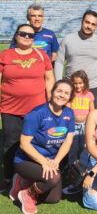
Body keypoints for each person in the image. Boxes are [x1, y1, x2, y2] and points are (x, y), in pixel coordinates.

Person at [0, 24, 55, 193]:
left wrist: (51, 104)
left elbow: (49, 79)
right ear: (16, 35)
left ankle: (31, 176)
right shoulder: (5, 55)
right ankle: (9, 177)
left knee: (36, 144)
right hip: (10, 109)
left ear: (34, 38)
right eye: (23, 34)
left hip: (37, 111)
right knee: (10, 143)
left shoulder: (41, 55)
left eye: (30, 35)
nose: (26, 37)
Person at [10, 80, 75, 214]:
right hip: (26, 160)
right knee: (53, 178)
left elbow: (68, 141)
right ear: (52, 92)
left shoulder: (69, 114)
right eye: (59, 91)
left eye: (66, 93)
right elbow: (24, 143)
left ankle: (26, 182)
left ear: (70, 97)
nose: (62, 95)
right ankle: (27, 193)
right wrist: (44, 162)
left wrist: (56, 161)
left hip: (50, 161)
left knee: (53, 199)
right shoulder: (37, 114)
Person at [54, 10, 97, 107]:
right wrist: (59, 84)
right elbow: (59, 62)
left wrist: (94, 68)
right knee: (67, 117)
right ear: (82, 22)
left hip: (92, 87)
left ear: (96, 26)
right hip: (70, 86)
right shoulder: (68, 39)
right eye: (87, 22)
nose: (89, 26)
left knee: (92, 118)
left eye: (93, 24)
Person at [62, 70, 94, 195]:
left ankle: (83, 172)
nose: (78, 86)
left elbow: (92, 111)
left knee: (85, 149)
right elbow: (67, 109)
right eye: (75, 83)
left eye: (80, 83)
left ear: (85, 83)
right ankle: (72, 173)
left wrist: (93, 125)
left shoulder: (89, 95)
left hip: (86, 126)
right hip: (73, 126)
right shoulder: (71, 94)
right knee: (72, 149)